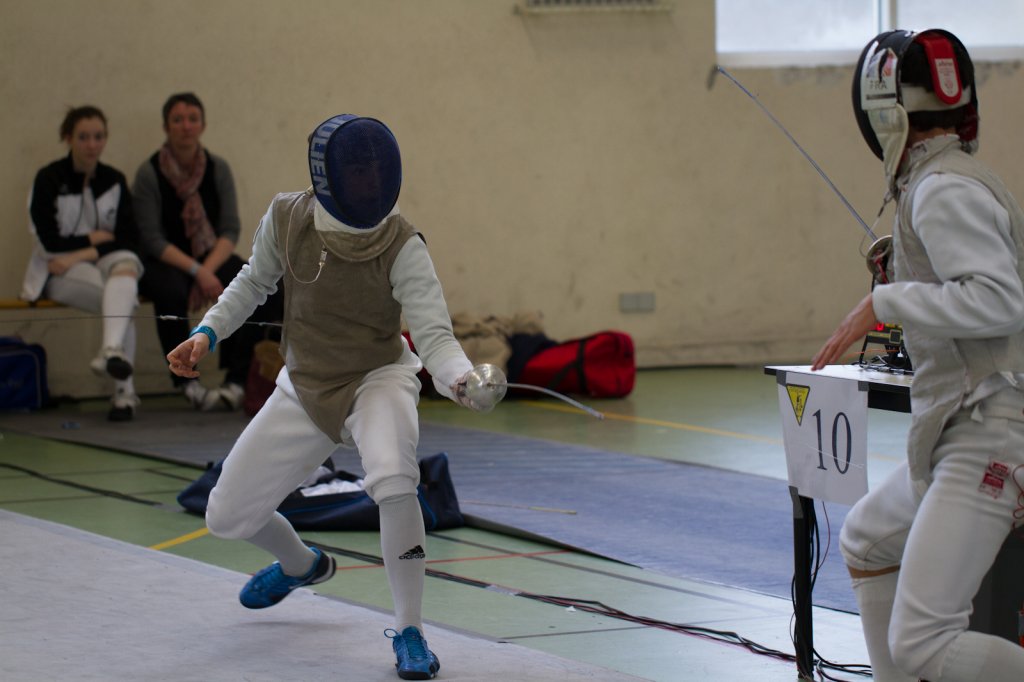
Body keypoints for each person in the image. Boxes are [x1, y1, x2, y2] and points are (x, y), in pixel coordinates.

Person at [166, 114, 505, 680]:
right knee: (226, 515)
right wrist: (207, 333)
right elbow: (253, 281)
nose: (369, 182)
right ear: (329, 175)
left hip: (377, 380)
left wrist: (461, 380)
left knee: (395, 481)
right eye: (357, 171)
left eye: (376, 171)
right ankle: (301, 564)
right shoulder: (287, 217)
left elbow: (435, 337)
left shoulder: (402, 243)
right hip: (305, 383)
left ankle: (411, 631)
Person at [812, 29, 1024, 681]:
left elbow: (999, 300)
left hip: (991, 433)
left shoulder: (941, 190)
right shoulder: (939, 182)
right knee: (866, 539)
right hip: (959, 425)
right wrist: (905, 286)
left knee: (924, 642)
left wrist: (886, 302)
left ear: (885, 117)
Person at [133, 92, 282, 411]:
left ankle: (237, 380)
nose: (186, 126)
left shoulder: (218, 169)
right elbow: (151, 238)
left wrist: (208, 270)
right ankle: (185, 380)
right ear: (166, 127)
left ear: (203, 125)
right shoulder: (149, 173)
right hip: (169, 260)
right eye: (178, 120)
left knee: (261, 287)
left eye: (193, 119)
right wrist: (198, 273)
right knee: (169, 291)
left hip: (211, 257)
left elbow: (230, 229)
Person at [21, 106, 143, 421]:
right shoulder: (48, 179)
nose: (92, 144)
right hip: (57, 271)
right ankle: (124, 393)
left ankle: (110, 353)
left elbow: (128, 240)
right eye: (84, 137)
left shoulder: (114, 180)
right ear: (68, 138)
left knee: (127, 263)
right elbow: (50, 242)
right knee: (123, 302)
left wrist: (81, 252)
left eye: (98, 137)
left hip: (85, 261)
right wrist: (95, 239)